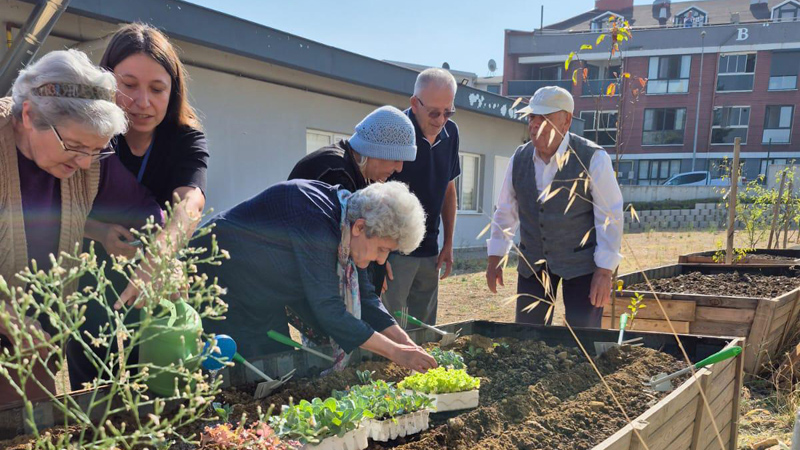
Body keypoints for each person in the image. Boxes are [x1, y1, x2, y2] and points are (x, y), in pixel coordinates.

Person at [0, 49, 163, 403]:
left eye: (96, 150)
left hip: (36, 341)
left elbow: (145, 209)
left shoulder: (88, 159)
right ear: (28, 115)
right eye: (74, 146)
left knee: (31, 421)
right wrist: (6, 315)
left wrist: (158, 254)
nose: (86, 163)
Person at [198, 180, 437, 372]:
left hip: (262, 295)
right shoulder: (315, 220)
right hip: (217, 282)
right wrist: (395, 353)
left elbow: (366, 297)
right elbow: (329, 310)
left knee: (275, 367)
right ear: (360, 227)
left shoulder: (346, 225)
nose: (382, 260)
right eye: (382, 249)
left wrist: (405, 343)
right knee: (236, 372)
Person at [86, 23, 209, 306]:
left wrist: (160, 255)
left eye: (157, 89)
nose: (142, 102)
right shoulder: (87, 133)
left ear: (173, 91)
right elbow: (51, 207)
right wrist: (99, 232)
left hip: (157, 276)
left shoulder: (185, 140)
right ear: (106, 81)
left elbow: (190, 202)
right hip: (88, 278)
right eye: (129, 85)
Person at [485, 86, 623, 328]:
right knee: (528, 336)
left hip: (580, 265)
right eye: (532, 117)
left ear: (566, 120)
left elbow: (610, 216)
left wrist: (604, 271)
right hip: (533, 262)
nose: (535, 124)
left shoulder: (592, 157)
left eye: (544, 117)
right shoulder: (519, 158)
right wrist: (495, 256)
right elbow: (505, 211)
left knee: (582, 337)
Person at [288, 105, 416, 291]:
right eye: (396, 159)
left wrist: (377, 255)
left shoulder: (355, 169)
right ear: (376, 151)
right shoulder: (336, 175)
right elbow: (341, 249)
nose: (399, 168)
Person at [382, 68, 460, 326]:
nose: (441, 120)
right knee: (388, 326)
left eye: (448, 112)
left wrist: (448, 243)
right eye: (434, 113)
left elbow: (448, 189)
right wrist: (378, 256)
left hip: (430, 251)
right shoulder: (394, 131)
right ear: (415, 104)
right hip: (393, 252)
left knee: (424, 328)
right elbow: (373, 191)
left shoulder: (452, 134)